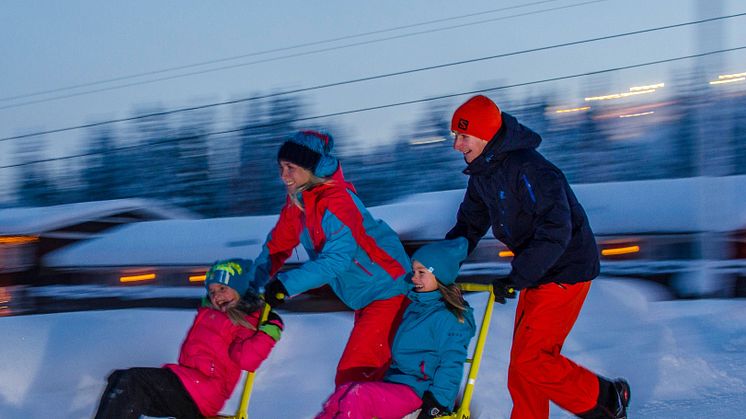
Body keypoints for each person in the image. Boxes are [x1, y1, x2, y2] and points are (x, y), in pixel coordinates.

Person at [445, 95, 631, 419]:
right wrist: (439, 265)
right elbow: (469, 225)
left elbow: (557, 230)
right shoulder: (483, 174)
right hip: (538, 269)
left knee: (532, 358)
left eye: (464, 137)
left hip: (565, 269)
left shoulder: (530, 169)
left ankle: (605, 399)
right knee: (524, 364)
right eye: (455, 137)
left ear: (486, 135)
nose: (457, 146)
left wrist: (518, 276)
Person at [249, 130, 411, 387]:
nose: (283, 176)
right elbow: (276, 248)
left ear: (311, 167)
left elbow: (337, 259)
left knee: (354, 377)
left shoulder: (337, 201)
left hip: (389, 292)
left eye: (290, 167)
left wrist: (285, 285)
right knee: (370, 379)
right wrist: (251, 285)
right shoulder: (299, 204)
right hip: (366, 296)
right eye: (281, 167)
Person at [93, 259, 283, 419]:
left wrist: (269, 331)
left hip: (202, 394)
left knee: (132, 382)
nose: (217, 296)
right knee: (119, 378)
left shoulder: (245, 320)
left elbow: (247, 359)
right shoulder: (210, 313)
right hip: (186, 382)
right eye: (213, 291)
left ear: (240, 289)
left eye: (223, 288)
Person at [316, 238, 476, 419]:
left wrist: (437, 404)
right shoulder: (417, 306)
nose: (414, 277)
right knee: (342, 393)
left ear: (439, 277)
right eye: (414, 271)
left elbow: (451, 363)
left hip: (420, 392)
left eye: (421, 272)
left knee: (359, 396)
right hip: (397, 383)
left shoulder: (448, 318)